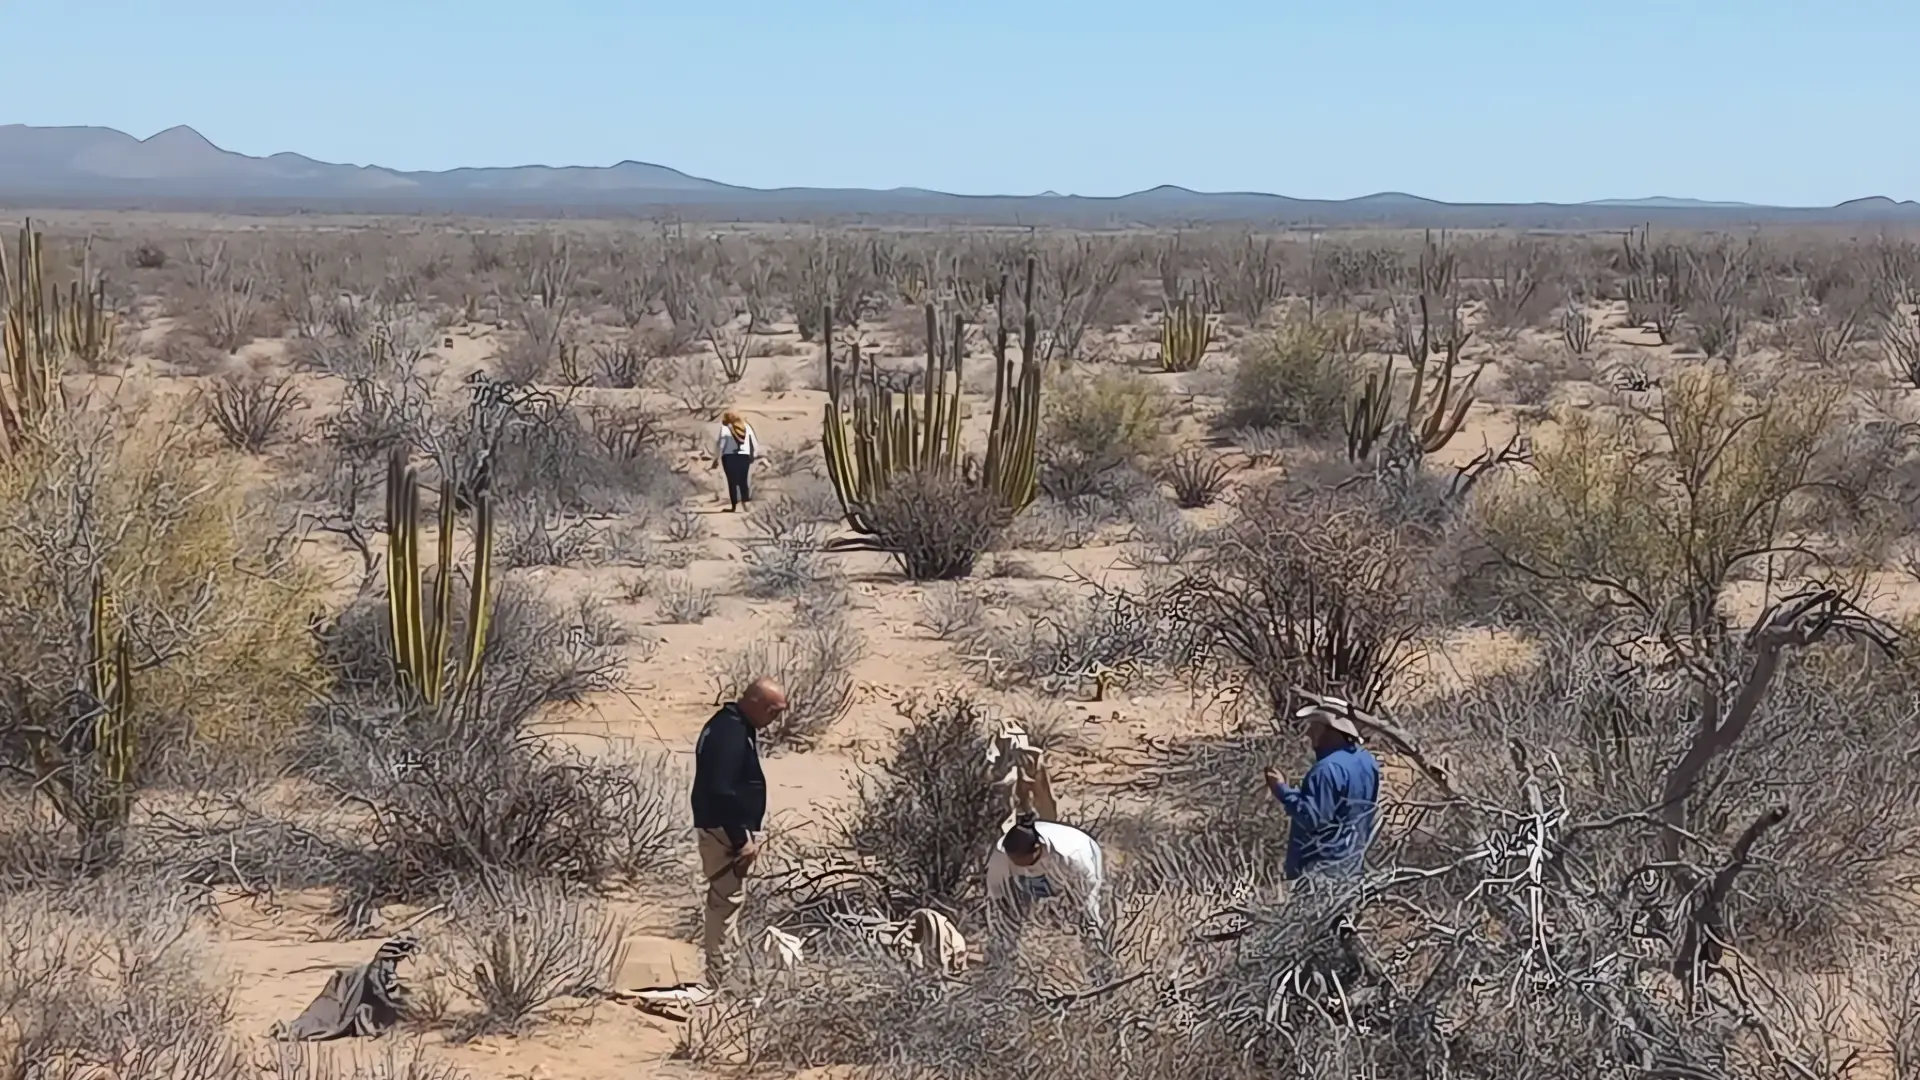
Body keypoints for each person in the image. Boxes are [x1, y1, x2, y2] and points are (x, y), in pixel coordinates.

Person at [691, 676, 788, 982]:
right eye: (773, 711)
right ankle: (721, 976)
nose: (776, 719)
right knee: (725, 902)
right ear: (755, 704)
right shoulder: (729, 732)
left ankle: (724, 971)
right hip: (723, 829)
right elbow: (720, 789)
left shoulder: (733, 724)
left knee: (727, 901)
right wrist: (740, 839)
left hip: (722, 825)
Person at [1264, 704, 1381, 891]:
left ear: (1330, 731)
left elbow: (1313, 818)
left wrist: (1282, 791)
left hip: (1321, 870)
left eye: (1314, 727)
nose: (1310, 734)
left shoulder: (1326, 770)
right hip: (1352, 864)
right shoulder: (1367, 761)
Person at [984, 812, 1110, 971]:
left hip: (1069, 872)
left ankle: (1099, 968)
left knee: (1088, 919)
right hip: (1025, 880)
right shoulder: (1001, 856)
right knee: (1004, 922)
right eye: (1013, 859)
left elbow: (1086, 900)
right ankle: (1001, 971)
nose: (1016, 863)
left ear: (1037, 848)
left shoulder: (1074, 855)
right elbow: (998, 903)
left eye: (1020, 860)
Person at [714, 410, 759, 512]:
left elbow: (721, 443)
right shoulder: (746, 426)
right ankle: (746, 505)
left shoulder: (725, 428)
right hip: (744, 456)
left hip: (729, 457)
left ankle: (734, 506)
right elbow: (754, 442)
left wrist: (716, 457)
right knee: (743, 480)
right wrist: (753, 455)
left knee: (732, 481)